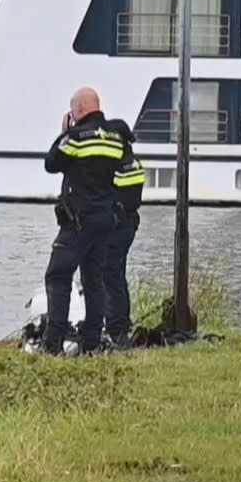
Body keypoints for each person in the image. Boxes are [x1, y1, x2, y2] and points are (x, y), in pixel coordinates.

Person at [40, 87, 131, 355]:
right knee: (94, 280)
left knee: (58, 275)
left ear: (78, 109)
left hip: (78, 219)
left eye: (73, 109)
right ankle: (91, 343)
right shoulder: (115, 138)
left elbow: (52, 163)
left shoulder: (76, 137)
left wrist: (65, 131)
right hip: (104, 219)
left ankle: (53, 343)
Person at [103, 124, 147, 349]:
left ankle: (116, 326)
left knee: (110, 275)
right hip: (128, 224)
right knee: (117, 274)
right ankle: (120, 322)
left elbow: (112, 194)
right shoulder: (133, 162)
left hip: (117, 226)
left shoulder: (118, 164)